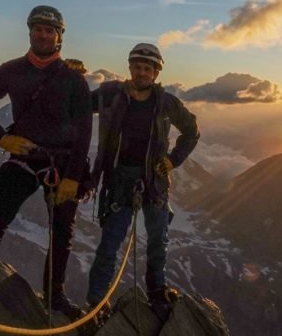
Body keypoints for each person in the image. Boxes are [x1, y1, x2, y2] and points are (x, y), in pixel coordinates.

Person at [0, 5, 92, 319]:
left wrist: (74, 176)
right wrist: (0, 137)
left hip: (61, 163)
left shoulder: (73, 78)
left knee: (62, 233)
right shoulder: (11, 70)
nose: (44, 34)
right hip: (24, 156)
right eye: (39, 29)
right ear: (30, 31)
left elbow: (83, 130)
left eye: (50, 30)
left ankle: (54, 295)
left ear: (60, 36)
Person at [85, 43, 199, 319]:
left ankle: (156, 292)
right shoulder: (112, 94)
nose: (141, 73)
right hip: (121, 179)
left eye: (148, 68)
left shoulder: (166, 103)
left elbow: (191, 131)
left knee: (158, 240)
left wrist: (173, 160)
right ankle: (96, 303)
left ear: (156, 72)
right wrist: (71, 74)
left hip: (154, 181)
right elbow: (79, 104)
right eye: (137, 67)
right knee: (110, 243)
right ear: (130, 68)